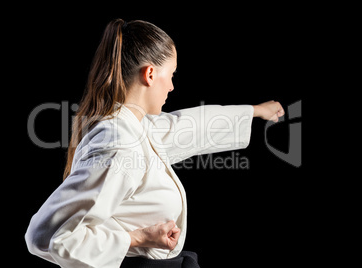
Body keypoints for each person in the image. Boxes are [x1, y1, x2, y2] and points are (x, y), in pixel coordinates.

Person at [25, 18, 285, 268]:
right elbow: (46, 237)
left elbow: (186, 126)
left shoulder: (134, 125)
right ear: (150, 74)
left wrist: (253, 111)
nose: (172, 86)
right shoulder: (119, 143)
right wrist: (136, 239)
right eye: (171, 75)